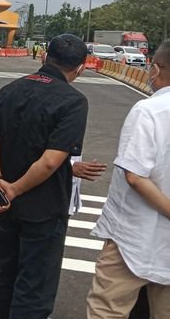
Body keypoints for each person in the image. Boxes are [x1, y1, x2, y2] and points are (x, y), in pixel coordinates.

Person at [0, 33, 90, 318]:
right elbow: (50, 161)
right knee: (35, 288)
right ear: (81, 66)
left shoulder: (11, 89)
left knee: (5, 273)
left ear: (44, 56)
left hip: (5, 204)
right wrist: (17, 189)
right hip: (44, 208)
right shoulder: (73, 102)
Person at [87, 40, 170, 318]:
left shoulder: (150, 110)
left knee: (108, 309)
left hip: (132, 239)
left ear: (156, 69)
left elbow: (135, 175)